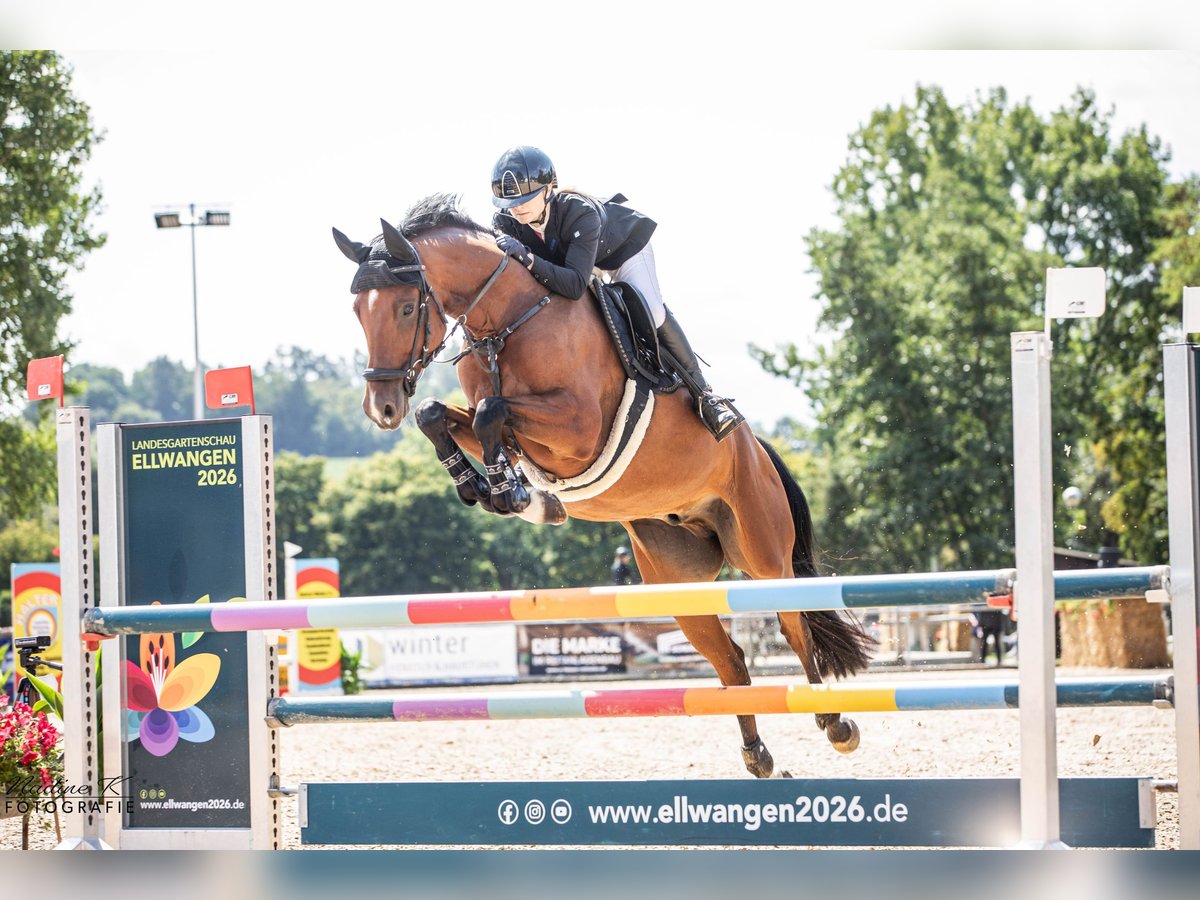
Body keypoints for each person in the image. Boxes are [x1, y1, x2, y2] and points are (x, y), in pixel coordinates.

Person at [490, 145, 744, 441]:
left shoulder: (578, 211)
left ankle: (705, 395)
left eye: (526, 198)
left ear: (548, 189)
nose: (517, 207)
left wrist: (529, 259)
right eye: (510, 202)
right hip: (576, 262)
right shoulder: (506, 222)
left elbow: (574, 285)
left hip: (622, 252)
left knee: (652, 311)